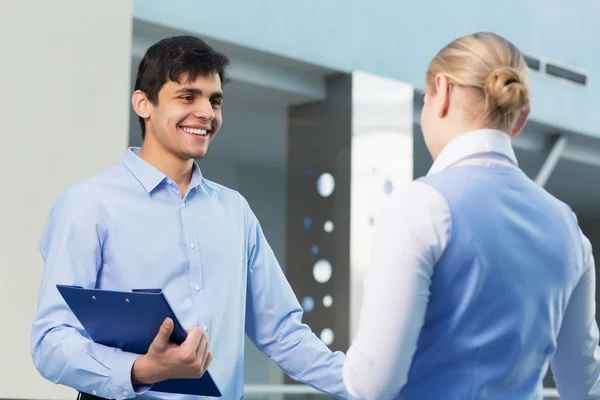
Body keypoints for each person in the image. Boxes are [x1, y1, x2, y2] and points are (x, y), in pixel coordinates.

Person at [31, 35, 351, 400]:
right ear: (143, 103)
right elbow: (50, 341)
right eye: (188, 96)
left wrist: (375, 388)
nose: (207, 113)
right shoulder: (88, 204)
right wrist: (141, 370)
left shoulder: (235, 211)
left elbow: (283, 333)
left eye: (214, 100)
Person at [342, 31, 600, 399]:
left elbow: (372, 383)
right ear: (521, 117)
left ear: (442, 91)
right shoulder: (568, 228)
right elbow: (583, 386)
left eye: (424, 99)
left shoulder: (419, 206)